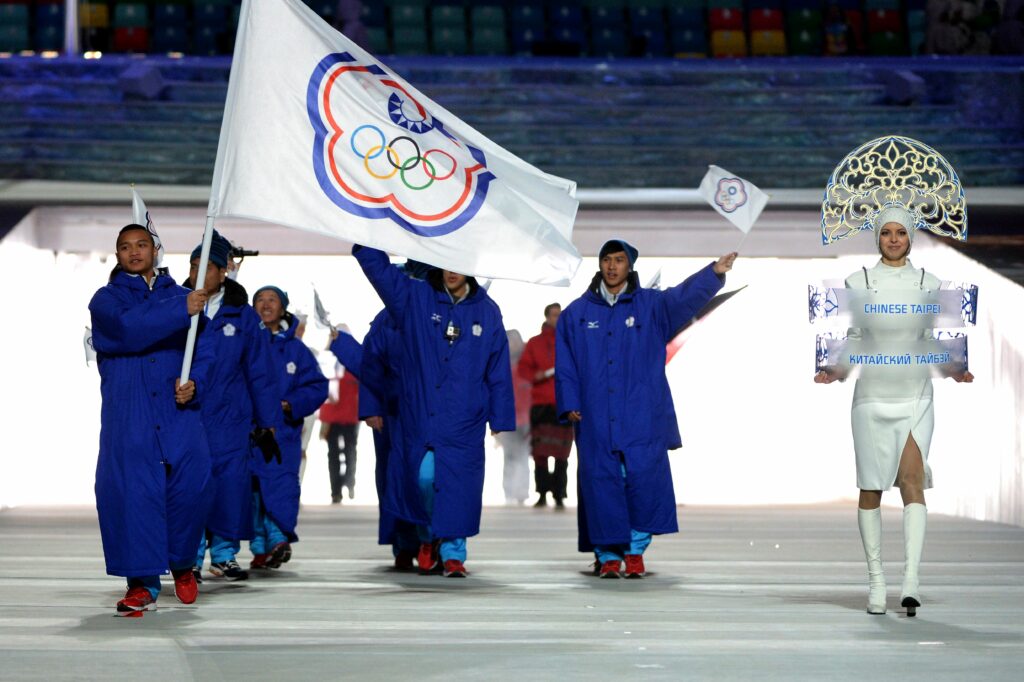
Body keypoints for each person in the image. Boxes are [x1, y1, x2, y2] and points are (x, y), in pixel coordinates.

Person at [815, 207, 973, 616]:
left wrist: (954, 369)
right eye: (886, 232)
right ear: (877, 237)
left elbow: (931, 338)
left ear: (911, 237)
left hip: (916, 393)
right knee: (870, 488)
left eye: (900, 232)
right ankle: (876, 581)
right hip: (871, 397)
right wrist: (835, 369)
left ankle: (911, 581)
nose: (893, 239)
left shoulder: (929, 283)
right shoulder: (858, 282)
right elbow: (853, 338)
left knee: (912, 483)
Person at [556, 240, 735, 579]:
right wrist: (569, 402)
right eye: (607, 260)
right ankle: (608, 555)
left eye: (619, 260)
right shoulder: (576, 314)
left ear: (630, 266)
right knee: (601, 483)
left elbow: (685, 297)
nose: (612, 266)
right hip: (595, 415)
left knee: (641, 481)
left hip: (642, 412)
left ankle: (635, 551)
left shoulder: (653, 306)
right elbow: (565, 363)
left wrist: (714, 272)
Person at [352, 245, 515, 578]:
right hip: (420, 413)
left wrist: (500, 415)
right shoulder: (414, 299)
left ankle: (454, 553)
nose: (451, 270)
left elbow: (498, 366)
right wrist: (369, 228)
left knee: (458, 485)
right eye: (445, 263)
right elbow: (377, 271)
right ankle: (428, 537)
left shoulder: (487, 311)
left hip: (465, 417)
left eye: (458, 263)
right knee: (424, 479)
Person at [89, 223, 214, 614]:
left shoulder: (185, 297)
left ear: (155, 249)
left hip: (178, 414)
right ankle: (142, 584)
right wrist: (181, 309)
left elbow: (206, 352)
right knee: (133, 496)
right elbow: (130, 329)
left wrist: (195, 382)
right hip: (131, 414)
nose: (134, 252)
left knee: (189, 491)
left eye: (141, 244)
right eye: (125, 247)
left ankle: (182, 565)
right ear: (117, 255)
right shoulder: (106, 301)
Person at [185, 232, 282, 583]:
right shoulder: (180, 307)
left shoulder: (243, 317)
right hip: (189, 417)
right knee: (191, 488)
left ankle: (224, 554)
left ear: (223, 270)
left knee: (228, 487)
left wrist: (268, 420)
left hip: (230, 419)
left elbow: (260, 372)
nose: (198, 273)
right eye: (193, 266)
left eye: (206, 267)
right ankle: (189, 557)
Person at [250, 286, 328, 569]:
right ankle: (260, 547)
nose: (266, 304)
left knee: (280, 487)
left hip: (282, 434)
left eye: (272, 300)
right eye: (260, 299)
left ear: (283, 308)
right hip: (249, 433)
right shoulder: (246, 342)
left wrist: (289, 404)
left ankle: (278, 539)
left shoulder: (296, 349)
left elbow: (317, 387)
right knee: (253, 492)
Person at [518, 303, 573, 509]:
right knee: (540, 453)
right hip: (541, 404)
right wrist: (536, 376)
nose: (557, 319)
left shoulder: (570, 342)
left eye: (560, 316)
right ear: (547, 317)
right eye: (554, 315)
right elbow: (524, 369)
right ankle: (541, 494)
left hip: (564, 403)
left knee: (562, 453)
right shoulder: (534, 343)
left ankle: (559, 494)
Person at [320, 355, 360, 504]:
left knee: (349, 452)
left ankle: (349, 483)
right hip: (333, 417)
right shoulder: (327, 364)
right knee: (334, 454)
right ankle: (336, 491)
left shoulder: (353, 365)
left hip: (350, 416)